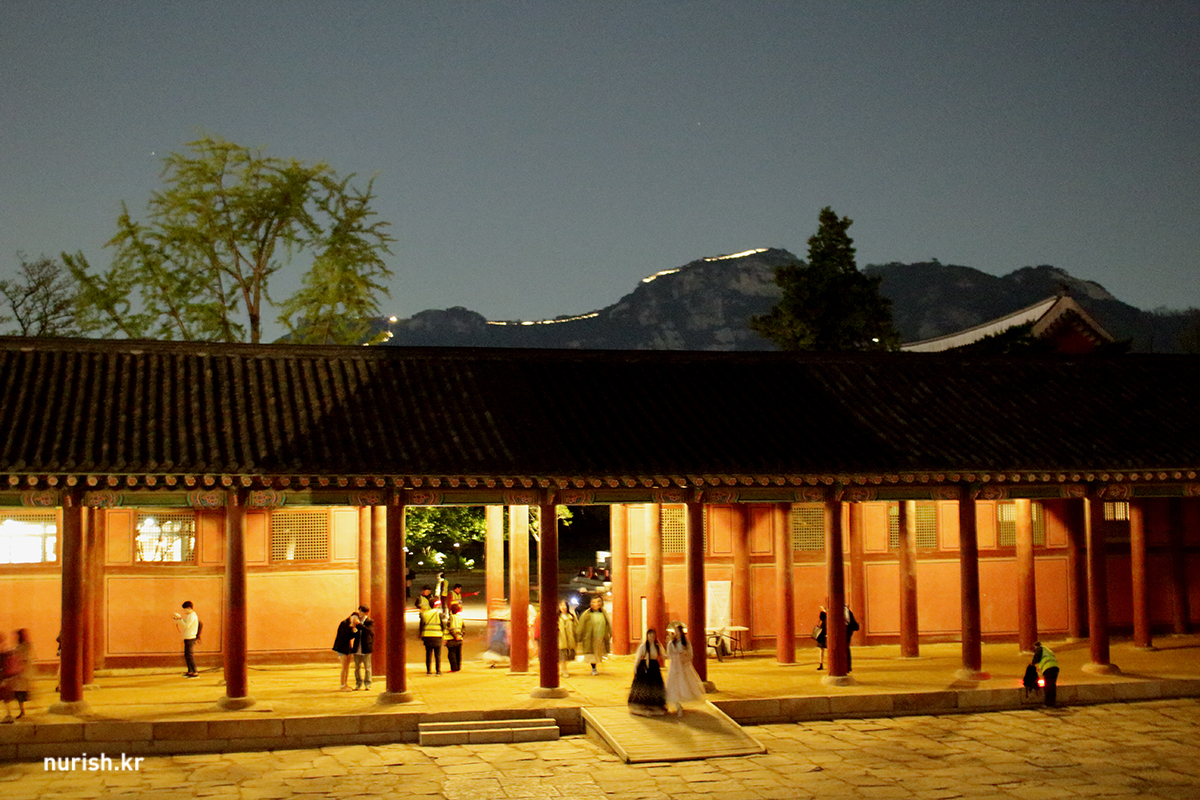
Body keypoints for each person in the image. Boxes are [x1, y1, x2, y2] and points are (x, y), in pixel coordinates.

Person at [665, 624, 706, 717]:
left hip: (684, 666)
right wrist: (676, 655)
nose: (677, 633)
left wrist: (683, 655)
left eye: (678, 631)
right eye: (675, 632)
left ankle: (681, 703)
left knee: (685, 685)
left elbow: (690, 654)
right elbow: (669, 655)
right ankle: (678, 705)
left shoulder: (686, 643)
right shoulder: (671, 643)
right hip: (675, 667)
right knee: (673, 686)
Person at [627, 629, 667, 716]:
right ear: (647, 636)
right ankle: (642, 706)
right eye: (650, 636)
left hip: (654, 668)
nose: (651, 638)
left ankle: (654, 706)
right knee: (644, 687)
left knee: (654, 686)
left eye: (653, 636)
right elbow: (638, 657)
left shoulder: (657, 646)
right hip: (644, 667)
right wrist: (635, 667)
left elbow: (663, 655)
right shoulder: (643, 646)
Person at [575, 594, 611, 676]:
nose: (597, 604)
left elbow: (608, 625)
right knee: (592, 654)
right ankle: (594, 668)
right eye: (594, 602)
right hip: (590, 637)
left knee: (598, 653)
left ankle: (596, 665)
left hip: (601, 637)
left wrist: (609, 634)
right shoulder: (586, 614)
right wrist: (579, 637)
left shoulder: (604, 613)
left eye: (599, 602)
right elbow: (581, 626)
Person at [172, 601, 201, 677]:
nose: (184, 611)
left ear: (189, 608)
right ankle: (190, 671)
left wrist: (179, 619)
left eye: (185, 609)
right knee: (187, 655)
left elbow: (186, 626)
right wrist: (178, 620)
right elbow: (184, 623)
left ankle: (195, 671)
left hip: (190, 637)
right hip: (187, 637)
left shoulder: (192, 616)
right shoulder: (189, 616)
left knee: (190, 655)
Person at [332, 611, 359, 691]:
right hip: (341, 647)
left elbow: (351, 636)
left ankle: (345, 684)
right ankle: (342, 685)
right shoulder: (344, 623)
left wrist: (354, 629)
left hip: (347, 647)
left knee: (347, 667)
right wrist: (351, 627)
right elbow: (344, 636)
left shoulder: (352, 625)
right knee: (344, 667)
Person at [1031, 641, 1060, 707]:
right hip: (1055, 667)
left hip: (1048, 668)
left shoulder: (1039, 649)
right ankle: (1052, 702)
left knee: (1048, 686)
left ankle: (1048, 703)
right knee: (1052, 685)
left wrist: (1032, 663)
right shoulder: (1047, 650)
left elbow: (1036, 658)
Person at [353, 606, 374, 690]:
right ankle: (358, 684)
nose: (359, 613)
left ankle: (368, 684)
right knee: (357, 668)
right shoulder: (356, 621)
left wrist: (359, 624)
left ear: (366, 612)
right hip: (357, 647)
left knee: (367, 667)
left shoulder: (369, 621)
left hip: (366, 647)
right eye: (359, 611)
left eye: (361, 611)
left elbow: (368, 631)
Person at [420, 603, 444, 675]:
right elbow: (443, 625)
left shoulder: (425, 614)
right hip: (437, 635)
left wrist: (421, 635)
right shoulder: (439, 614)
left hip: (427, 635)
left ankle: (429, 671)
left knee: (428, 654)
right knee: (437, 655)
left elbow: (421, 625)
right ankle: (438, 671)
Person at [557, 600, 578, 678]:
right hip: (560, 639)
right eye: (561, 605)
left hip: (569, 640)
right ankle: (564, 670)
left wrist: (576, 637)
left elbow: (576, 628)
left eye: (565, 605)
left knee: (567, 656)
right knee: (562, 656)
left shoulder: (571, 617)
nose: (563, 607)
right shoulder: (556, 616)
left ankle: (562, 669)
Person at [444, 603, 465, 672]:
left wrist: (455, 636)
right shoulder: (460, 618)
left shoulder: (451, 618)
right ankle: (458, 667)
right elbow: (463, 628)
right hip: (459, 639)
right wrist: (460, 635)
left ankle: (454, 668)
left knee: (452, 654)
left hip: (451, 639)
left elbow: (449, 628)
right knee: (458, 653)